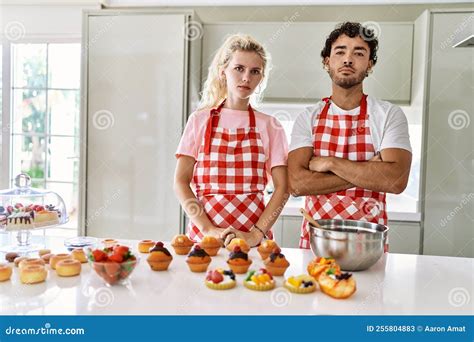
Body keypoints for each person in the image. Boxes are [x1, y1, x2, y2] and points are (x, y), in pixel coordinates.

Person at [288, 22, 412, 249]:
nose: (348, 59)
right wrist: (368, 169)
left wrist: (330, 163)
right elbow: (296, 184)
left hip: (368, 247)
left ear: (370, 64)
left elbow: (395, 181)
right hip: (316, 247)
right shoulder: (308, 117)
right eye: (340, 51)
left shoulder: (388, 114)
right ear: (327, 61)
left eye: (359, 53)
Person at [174, 34, 289, 248]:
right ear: (223, 71)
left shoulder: (271, 126)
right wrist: (208, 229)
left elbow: (283, 188)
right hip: (205, 240)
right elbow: (181, 182)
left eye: (255, 72)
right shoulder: (199, 120)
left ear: (261, 78)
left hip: (252, 244)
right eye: (239, 68)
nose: (246, 77)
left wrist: (256, 234)